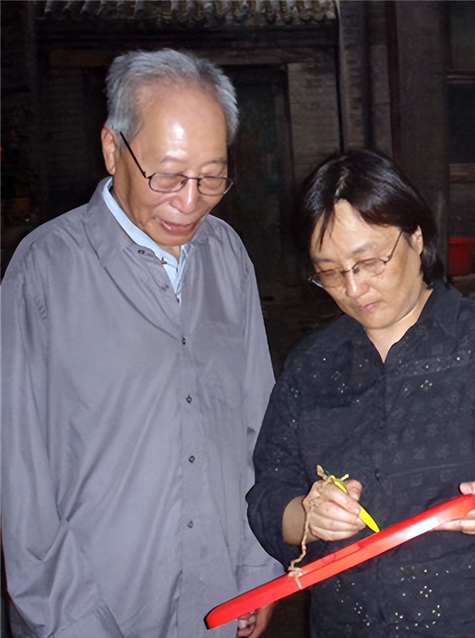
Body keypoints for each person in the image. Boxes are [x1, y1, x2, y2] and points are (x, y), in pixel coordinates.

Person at [246, 149, 475, 637]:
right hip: (350, 624)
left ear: (416, 238)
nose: (354, 288)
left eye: (369, 262)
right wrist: (306, 516)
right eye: (330, 271)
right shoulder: (311, 365)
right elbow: (269, 493)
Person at [1, 49, 282, 638]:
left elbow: (258, 424)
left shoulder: (227, 256)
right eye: (168, 176)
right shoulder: (44, 271)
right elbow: (19, 480)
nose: (190, 201)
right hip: (93, 611)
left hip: (219, 600)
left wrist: (258, 566)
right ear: (113, 149)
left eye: (212, 176)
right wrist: (73, 623)